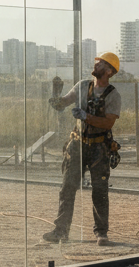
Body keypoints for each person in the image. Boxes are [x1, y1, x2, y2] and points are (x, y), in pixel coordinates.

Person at [43, 52, 123, 247]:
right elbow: (62, 104)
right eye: (97, 62)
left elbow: (108, 123)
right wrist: (56, 96)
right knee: (67, 188)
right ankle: (61, 231)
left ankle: (101, 233)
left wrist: (86, 117)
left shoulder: (113, 95)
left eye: (101, 63)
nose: (96, 65)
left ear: (109, 71)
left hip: (99, 148)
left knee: (99, 191)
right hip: (78, 144)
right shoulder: (82, 86)